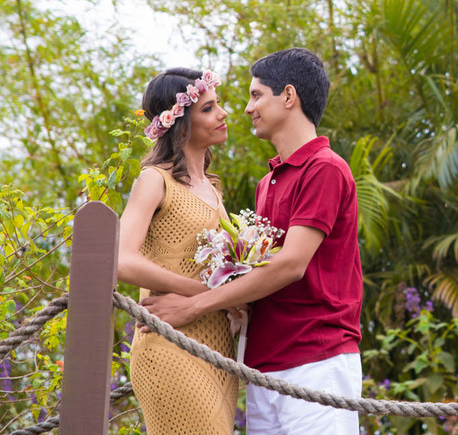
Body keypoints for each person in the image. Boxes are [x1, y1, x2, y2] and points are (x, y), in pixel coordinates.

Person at [143, 47, 364, 435]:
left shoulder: (325, 168)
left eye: (256, 95)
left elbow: (291, 265)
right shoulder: (268, 183)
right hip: (263, 367)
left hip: (317, 360)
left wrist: (193, 306)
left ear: (289, 96)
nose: (247, 109)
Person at [117, 68, 239, 435]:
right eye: (209, 108)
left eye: (218, 105)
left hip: (218, 349)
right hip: (168, 344)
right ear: (180, 122)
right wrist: (202, 293)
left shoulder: (213, 189)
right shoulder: (155, 180)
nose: (223, 114)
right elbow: (122, 260)